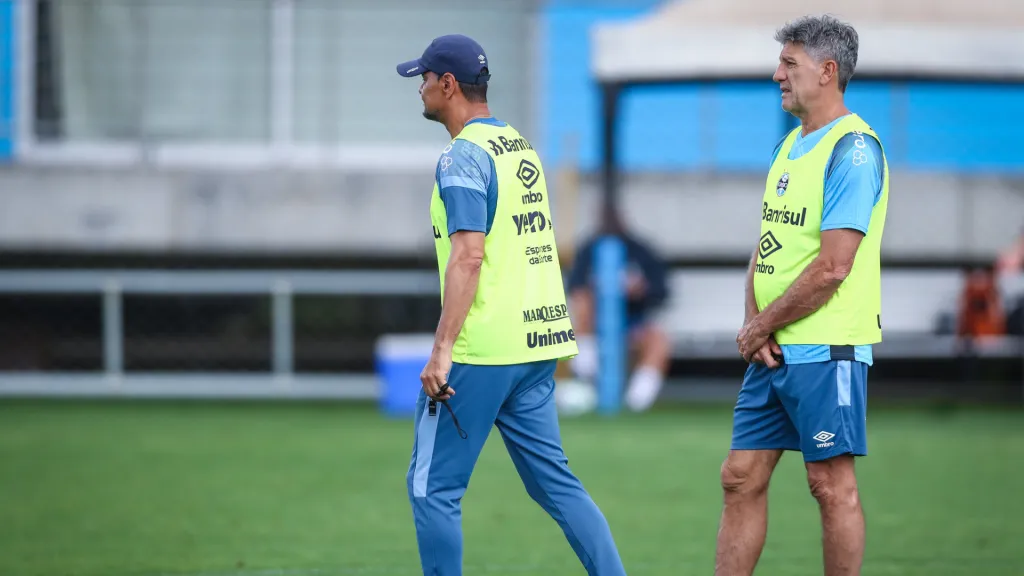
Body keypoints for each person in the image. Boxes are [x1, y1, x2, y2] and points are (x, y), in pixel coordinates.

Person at [396, 34, 627, 576]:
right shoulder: (518, 146)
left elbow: (469, 257)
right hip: (536, 349)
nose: (421, 89)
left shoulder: (462, 157)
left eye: (424, 79)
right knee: (558, 487)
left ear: (448, 85)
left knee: (433, 490)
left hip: (481, 352)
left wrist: (442, 349)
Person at [714, 15, 889, 576]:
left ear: (828, 71)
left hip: (825, 345)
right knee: (740, 475)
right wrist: (754, 319)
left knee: (829, 485)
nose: (777, 76)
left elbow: (834, 267)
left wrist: (762, 324)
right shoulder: (791, 144)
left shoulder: (854, 150)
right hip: (773, 345)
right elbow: (768, 245)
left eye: (789, 65)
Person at [567, 206, 671, 411]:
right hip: (594, 325)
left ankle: (637, 401)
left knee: (659, 340)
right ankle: (587, 377)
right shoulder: (589, 249)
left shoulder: (640, 250)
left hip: (632, 324)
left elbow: (662, 291)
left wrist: (641, 289)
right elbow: (574, 288)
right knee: (583, 303)